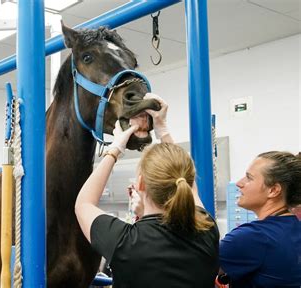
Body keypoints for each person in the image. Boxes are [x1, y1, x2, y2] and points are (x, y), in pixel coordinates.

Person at [75, 94, 219, 287]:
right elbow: (186, 178)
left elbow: (83, 203)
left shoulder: (123, 242)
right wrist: (162, 129)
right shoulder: (207, 229)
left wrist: (115, 148)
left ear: (140, 183)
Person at [219, 151, 301, 287]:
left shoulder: (254, 236)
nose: (239, 183)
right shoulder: (294, 228)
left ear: (273, 190)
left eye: (249, 178)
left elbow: (192, 267)